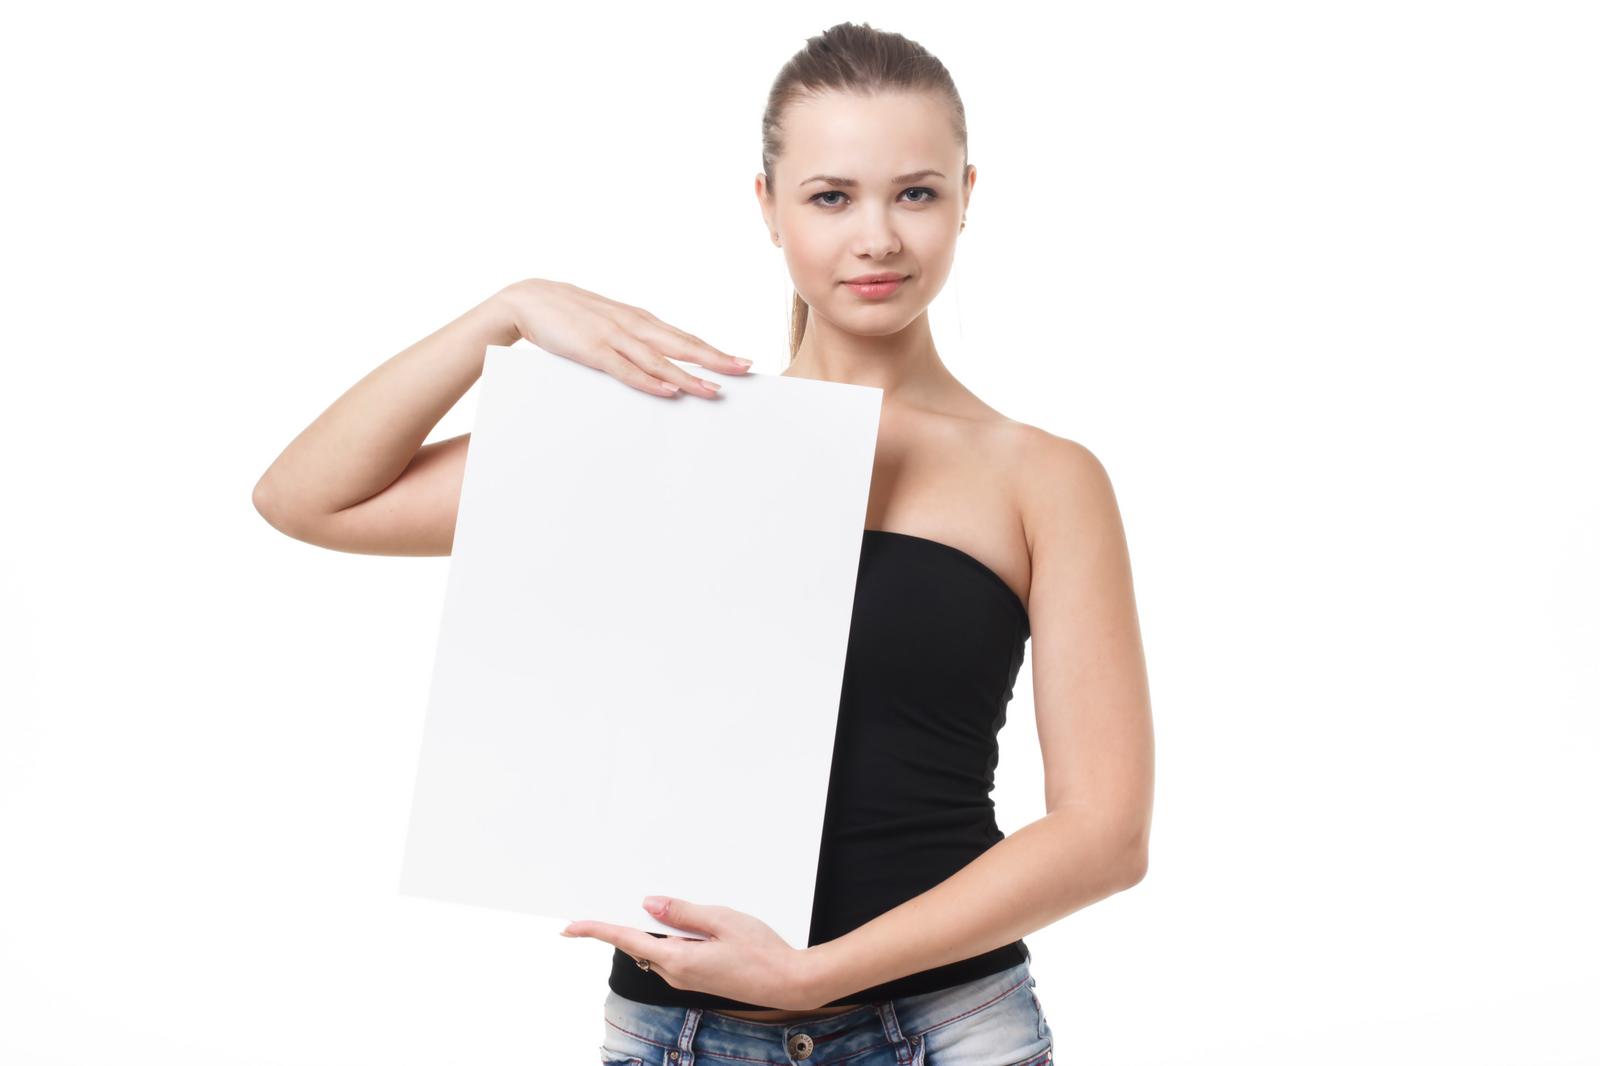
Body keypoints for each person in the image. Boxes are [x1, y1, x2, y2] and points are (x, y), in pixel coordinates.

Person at [253, 19, 1152, 1064]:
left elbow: (1106, 833)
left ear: (965, 196)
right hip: (677, 1034)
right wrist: (506, 313)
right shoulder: (666, 432)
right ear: (767, 205)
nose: (876, 238)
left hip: (950, 1030)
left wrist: (815, 973)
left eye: (915, 193)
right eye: (830, 197)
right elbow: (308, 499)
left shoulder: (1043, 477)